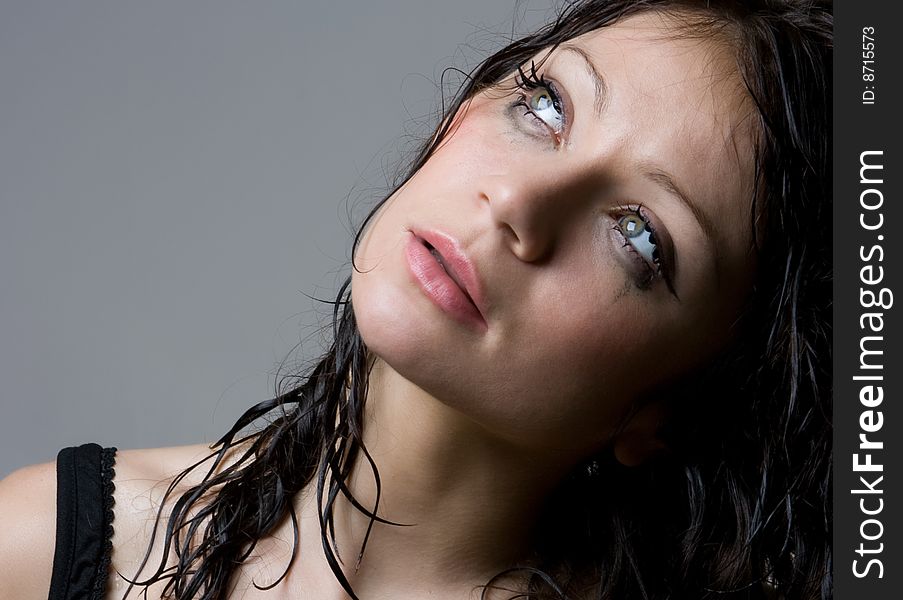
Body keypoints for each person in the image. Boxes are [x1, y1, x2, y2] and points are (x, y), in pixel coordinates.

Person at [0, 0, 833, 598]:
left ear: (672, 409)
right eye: (545, 106)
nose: (516, 203)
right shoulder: (45, 544)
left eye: (640, 237)